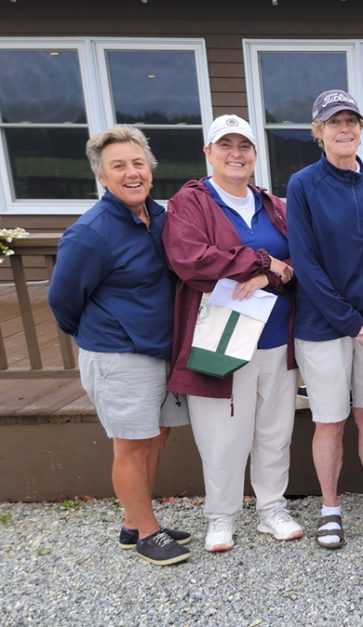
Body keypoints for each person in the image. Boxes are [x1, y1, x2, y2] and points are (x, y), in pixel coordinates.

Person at [48, 126, 191, 566]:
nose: (132, 173)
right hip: (118, 354)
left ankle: (135, 521)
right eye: (119, 166)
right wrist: (103, 334)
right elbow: (62, 301)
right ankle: (147, 532)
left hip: (160, 350)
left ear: (149, 169)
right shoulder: (90, 233)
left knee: (156, 437)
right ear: (102, 178)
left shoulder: (160, 217)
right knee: (131, 444)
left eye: (137, 163)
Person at [164, 114, 301, 553]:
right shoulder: (191, 203)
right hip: (220, 341)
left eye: (245, 146)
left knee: (274, 430)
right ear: (208, 153)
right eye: (226, 145)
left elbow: (294, 265)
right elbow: (193, 259)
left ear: (256, 155)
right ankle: (220, 516)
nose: (236, 154)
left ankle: (271, 508)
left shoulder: (273, 205)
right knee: (223, 435)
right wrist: (263, 264)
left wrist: (270, 275)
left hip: (276, 337)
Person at [287, 89, 363, 548]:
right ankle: (330, 508)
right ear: (319, 132)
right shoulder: (303, 184)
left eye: (352, 121)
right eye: (334, 122)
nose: (344, 129)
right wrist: (350, 321)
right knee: (330, 420)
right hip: (323, 327)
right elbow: (306, 263)